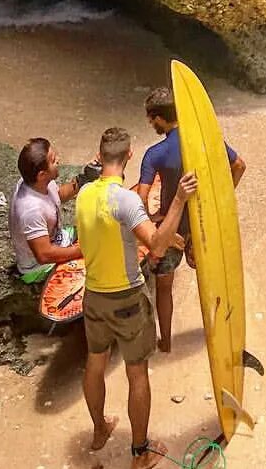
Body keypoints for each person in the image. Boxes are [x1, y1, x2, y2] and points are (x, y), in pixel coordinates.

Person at [76, 124, 197, 469]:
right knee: (137, 372)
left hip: (93, 296)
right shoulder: (125, 200)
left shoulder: (84, 194)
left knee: (95, 363)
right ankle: (140, 453)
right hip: (127, 299)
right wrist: (178, 200)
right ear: (130, 155)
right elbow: (157, 245)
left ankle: (99, 431)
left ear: (99, 157)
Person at [134, 86, 245, 352]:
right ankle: (217, 331)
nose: (150, 124)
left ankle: (167, 342)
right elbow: (239, 165)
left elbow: (140, 197)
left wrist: (152, 223)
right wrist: (221, 202)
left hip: (172, 230)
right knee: (211, 281)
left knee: (164, 288)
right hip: (204, 226)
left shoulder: (155, 154)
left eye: (151, 119)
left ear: (159, 118)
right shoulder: (205, 140)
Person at [8, 137, 84, 283]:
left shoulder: (36, 183)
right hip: (38, 267)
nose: (59, 160)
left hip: (56, 238)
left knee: (95, 230)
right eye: (54, 160)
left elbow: (58, 195)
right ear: (42, 174)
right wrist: (82, 251)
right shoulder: (31, 210)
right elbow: (44, 255)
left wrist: (82, 180)